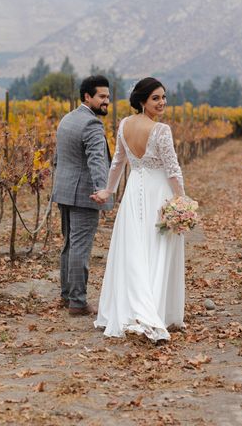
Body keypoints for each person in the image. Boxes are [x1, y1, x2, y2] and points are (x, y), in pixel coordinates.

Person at [91, 77, 185, 342]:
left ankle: (137, 307)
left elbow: (118, 163)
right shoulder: (161, 130)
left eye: (164, 97)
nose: (162, 102)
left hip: (134, 191)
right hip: (158, 193)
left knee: (136, 247)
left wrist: (109, 190)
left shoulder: (124, 125)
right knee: (156, 248)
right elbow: (172, 170)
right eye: (155, 98)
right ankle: (151, 310)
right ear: (142, 100)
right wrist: (182, 200)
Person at [52, 75, 113, 316]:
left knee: (69, 245)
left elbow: (58, 157)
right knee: (79, 247)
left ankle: (67, 295)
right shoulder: (92, 125)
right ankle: (78, 302)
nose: (106, 101)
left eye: (108, 96)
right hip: (84, 194)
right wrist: (101, 189)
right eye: (102, 97)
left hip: (65, 190)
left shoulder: (67, 119)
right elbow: (97, 159)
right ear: (87, 96)